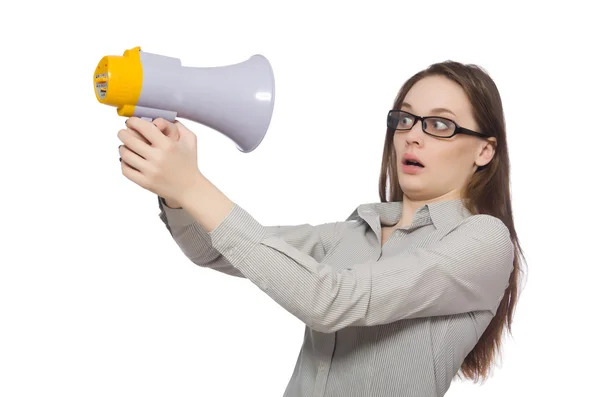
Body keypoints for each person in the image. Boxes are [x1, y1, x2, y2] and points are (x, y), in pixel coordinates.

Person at [117, 60, 526, 397]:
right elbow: (213, 250)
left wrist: (191, 184)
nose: (412, 136)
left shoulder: (483, 241)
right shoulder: (353, 232)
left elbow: (330, 301)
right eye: (405, 119)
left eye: (439, 125)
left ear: (484, 150)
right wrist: (175, 192)